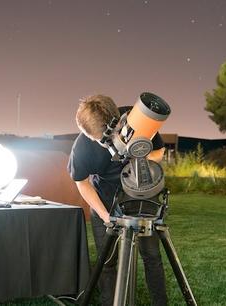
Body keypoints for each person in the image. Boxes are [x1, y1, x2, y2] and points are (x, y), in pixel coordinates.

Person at [68, 94, 168, 306]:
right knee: (108, 262)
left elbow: (159, 151)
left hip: (142, 196)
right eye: (99, 139)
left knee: (152, 257)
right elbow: (82, 183)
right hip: (105, 202)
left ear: (116, 119)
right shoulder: (82, 148)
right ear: (87, 134)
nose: (107, 142)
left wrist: (139, 159)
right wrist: (105, 216)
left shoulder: (137, 120)